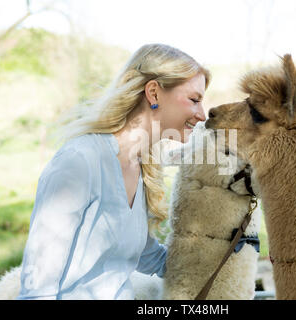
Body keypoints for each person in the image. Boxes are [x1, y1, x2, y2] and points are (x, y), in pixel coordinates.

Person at [17, 43, 211, 299]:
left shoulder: (142, 167)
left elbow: (146, 255)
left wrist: (224, 247)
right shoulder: (80, 160)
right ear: (153, 93)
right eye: (194, 100)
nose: (202, 114)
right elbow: (37, 289)